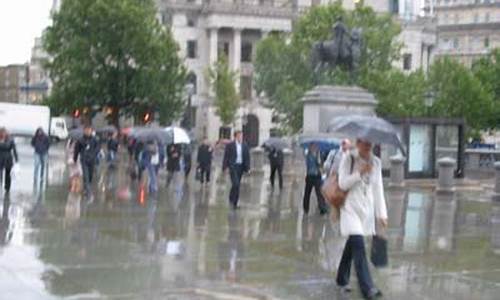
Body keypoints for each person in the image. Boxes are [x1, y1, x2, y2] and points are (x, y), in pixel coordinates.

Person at [336, 139, 388, 300]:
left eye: (370, 144)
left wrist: (382, 214)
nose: (368, 147)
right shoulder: (349, 159)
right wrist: (360, 173)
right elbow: (343, 184)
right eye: (365, 144)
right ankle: (368, 288)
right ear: (358, 144)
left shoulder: (376, 162)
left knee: (352, 244)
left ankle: (341, 278)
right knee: (358, 245)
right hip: (350, 208)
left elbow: (378, 188)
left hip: (366, 211)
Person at [223, 131, 250, 210]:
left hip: (240, 167)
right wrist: (225, 167)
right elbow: (226, 156)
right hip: (233, 166)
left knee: (237, 185)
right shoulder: (230, 145)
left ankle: (234, 200)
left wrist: (248, 168)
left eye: (241, 136)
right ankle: (233, 200)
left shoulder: (245, 145)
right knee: (236, 183)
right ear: (235, 137)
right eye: (239, 136)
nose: (240, 137)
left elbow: (247, 157)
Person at [73, 125, 100, 196]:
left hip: (92, 159)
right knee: (86, 175)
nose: (87, 132)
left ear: (91, 131)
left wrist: (94, 154)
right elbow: (77, 150)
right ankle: (87, 189)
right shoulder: (81, 140)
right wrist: (75, 159)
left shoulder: (94, 139)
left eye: (89, 130)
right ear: (84, 131)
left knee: (90, 174)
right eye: (86, 130)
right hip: (84, 159)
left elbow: (97, 148)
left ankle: (88, 185)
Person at [303, 143, 328, 215]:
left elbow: (321, 164)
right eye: (313, 146)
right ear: (310, 147)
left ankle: (322, 209)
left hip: (317, 176)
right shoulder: (308, 155)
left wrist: (319, 159)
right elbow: (310, 165)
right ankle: (306, 208)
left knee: (319, 193)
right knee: (307, 193)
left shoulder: (319, 154)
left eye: (315, 146)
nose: (314, 148)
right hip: (310, 176)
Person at [0, 128, 18, 194]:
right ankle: (1, 184)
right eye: (2, 132)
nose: (3, 133)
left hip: (8, 158)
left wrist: (16, 159)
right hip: (0, 157)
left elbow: (14, 149)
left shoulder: (10, 139)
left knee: (8, 174)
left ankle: (7, 188)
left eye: (4, 132)